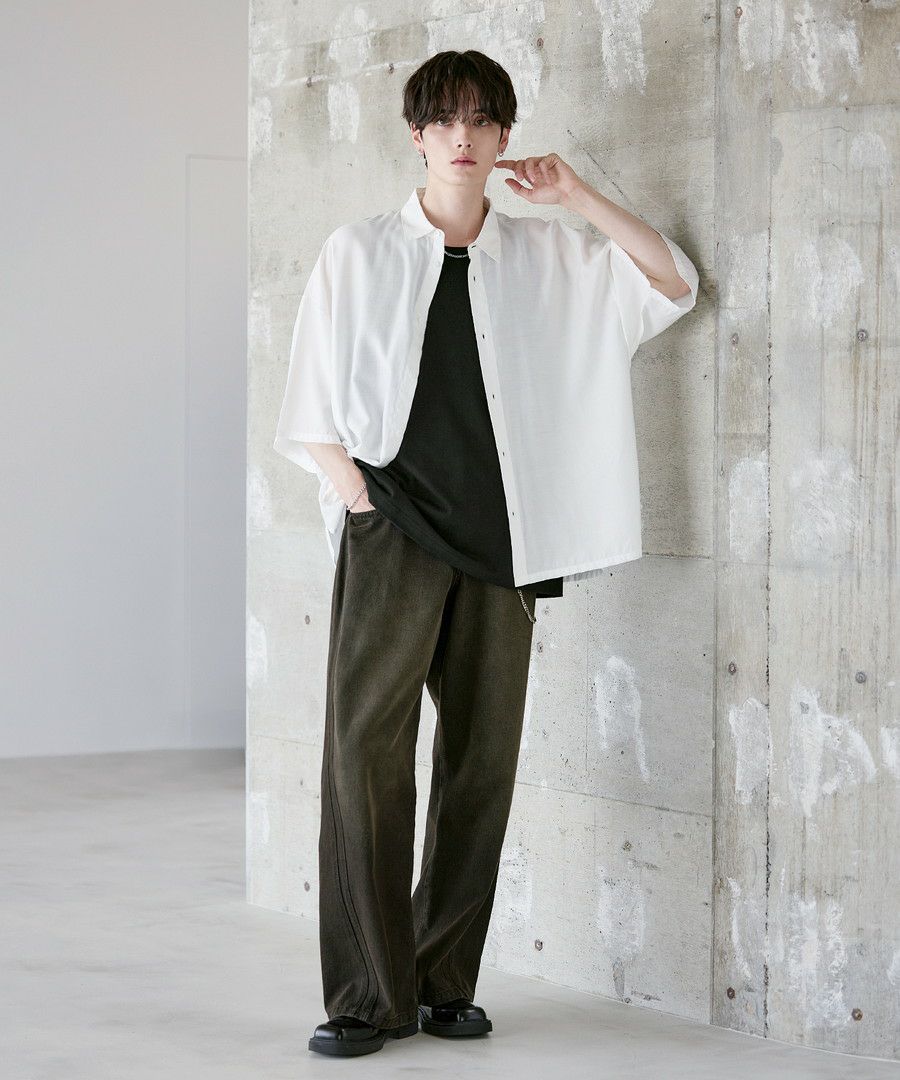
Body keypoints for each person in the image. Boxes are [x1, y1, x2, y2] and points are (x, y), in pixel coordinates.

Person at [273, 49, 699, 1058]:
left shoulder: (548, 255)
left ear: (505, 135)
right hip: (392, 527)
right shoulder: (360, 250)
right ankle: (364, 995)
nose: (461, 137)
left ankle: (443, 980)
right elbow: (309, 400)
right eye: (444, 120)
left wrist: (577, 196)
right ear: (415, 135)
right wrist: (358, 496)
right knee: (364, 755)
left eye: (481, 120)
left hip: (505, 541)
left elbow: (672, 282)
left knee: (480, 764)